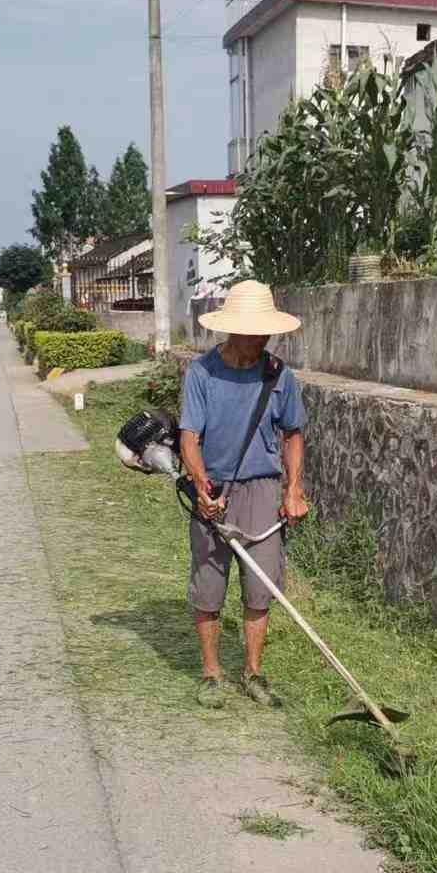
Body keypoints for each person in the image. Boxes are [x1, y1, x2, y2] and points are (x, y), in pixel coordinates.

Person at [179, 279, 309, 709]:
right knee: (208, 586)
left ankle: (252, 672)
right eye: (252, 332)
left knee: (260, 587)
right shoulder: (202, 373)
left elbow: (293, 434)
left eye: (264, 332)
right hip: (213, 488)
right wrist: (201, 485)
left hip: (262, 491)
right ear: (232, 329)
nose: (260, 340)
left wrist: (293, 490)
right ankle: (211, 674)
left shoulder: (280, 375)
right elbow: (189, 437)